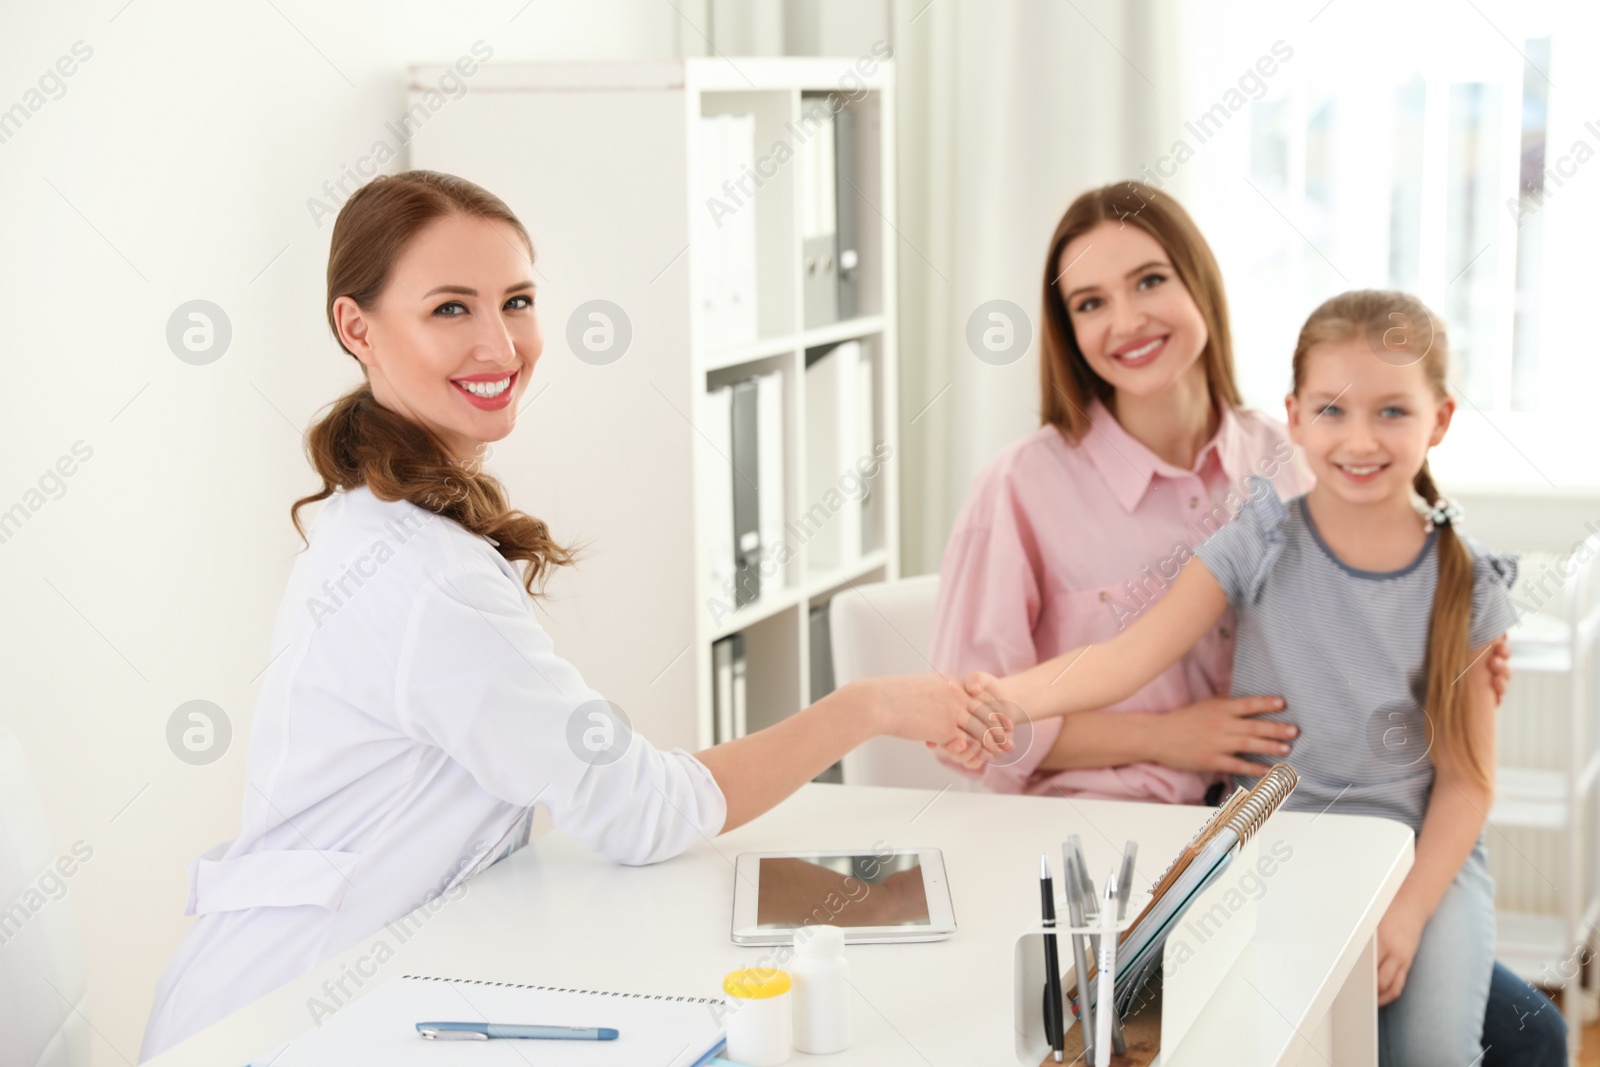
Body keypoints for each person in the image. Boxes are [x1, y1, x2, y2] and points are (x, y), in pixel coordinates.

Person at [137, 170, 1009, 1060]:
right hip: (282, 1016)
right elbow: (641, 811)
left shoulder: (389, 519)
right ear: (356, 327)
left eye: (516, 300)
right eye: (449, 308)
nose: (499, 343)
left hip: (344, 990)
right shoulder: (422, 575)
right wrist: (866, 708)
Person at [929, 182, 1563, 1065]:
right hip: (1159, 839)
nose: (1127, 319)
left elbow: (1394, 602)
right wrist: (1158, 734)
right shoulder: (1022, 487)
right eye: (1089, 302)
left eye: (1150, 280)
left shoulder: (1289, 454)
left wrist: (1465, 647)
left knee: (1531, 1035)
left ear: (1198, 286)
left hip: (1338, 826)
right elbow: (1074, 684)